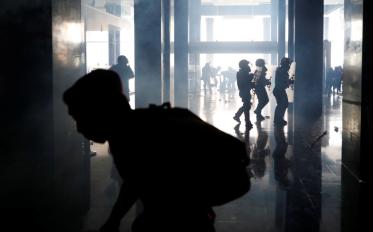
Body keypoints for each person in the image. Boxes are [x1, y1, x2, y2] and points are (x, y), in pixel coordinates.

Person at [63, 69, 250, 232]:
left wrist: (115, 220)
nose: (79, 127)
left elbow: (139, 181)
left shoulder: (132, 138)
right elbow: (135, 181)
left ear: (100, 111)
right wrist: (115, 219)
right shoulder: (142, 123)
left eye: (80, 117)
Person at [233, 59, 254, 129]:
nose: (248, 66)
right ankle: (247, 122)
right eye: (247, 65)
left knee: (246, 105)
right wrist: (251, 76)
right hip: (244, 91)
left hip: (244, 91)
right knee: (247, 106)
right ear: (244, 65)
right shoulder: (242, 73)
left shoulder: (242, 72)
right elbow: (245, 81)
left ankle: (237, 116)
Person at [273, 57, 294, 127]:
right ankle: (278, 120)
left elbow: (284, 81)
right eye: (288, 64)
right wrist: (290, 81)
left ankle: (278, 119)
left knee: (282, 105)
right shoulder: (282, 70)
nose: (289, 66)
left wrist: (290, 81)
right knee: (282, 105)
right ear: (285, 64)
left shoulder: (281, 70)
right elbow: (283, 81)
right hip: (279, 90)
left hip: (279, 90)